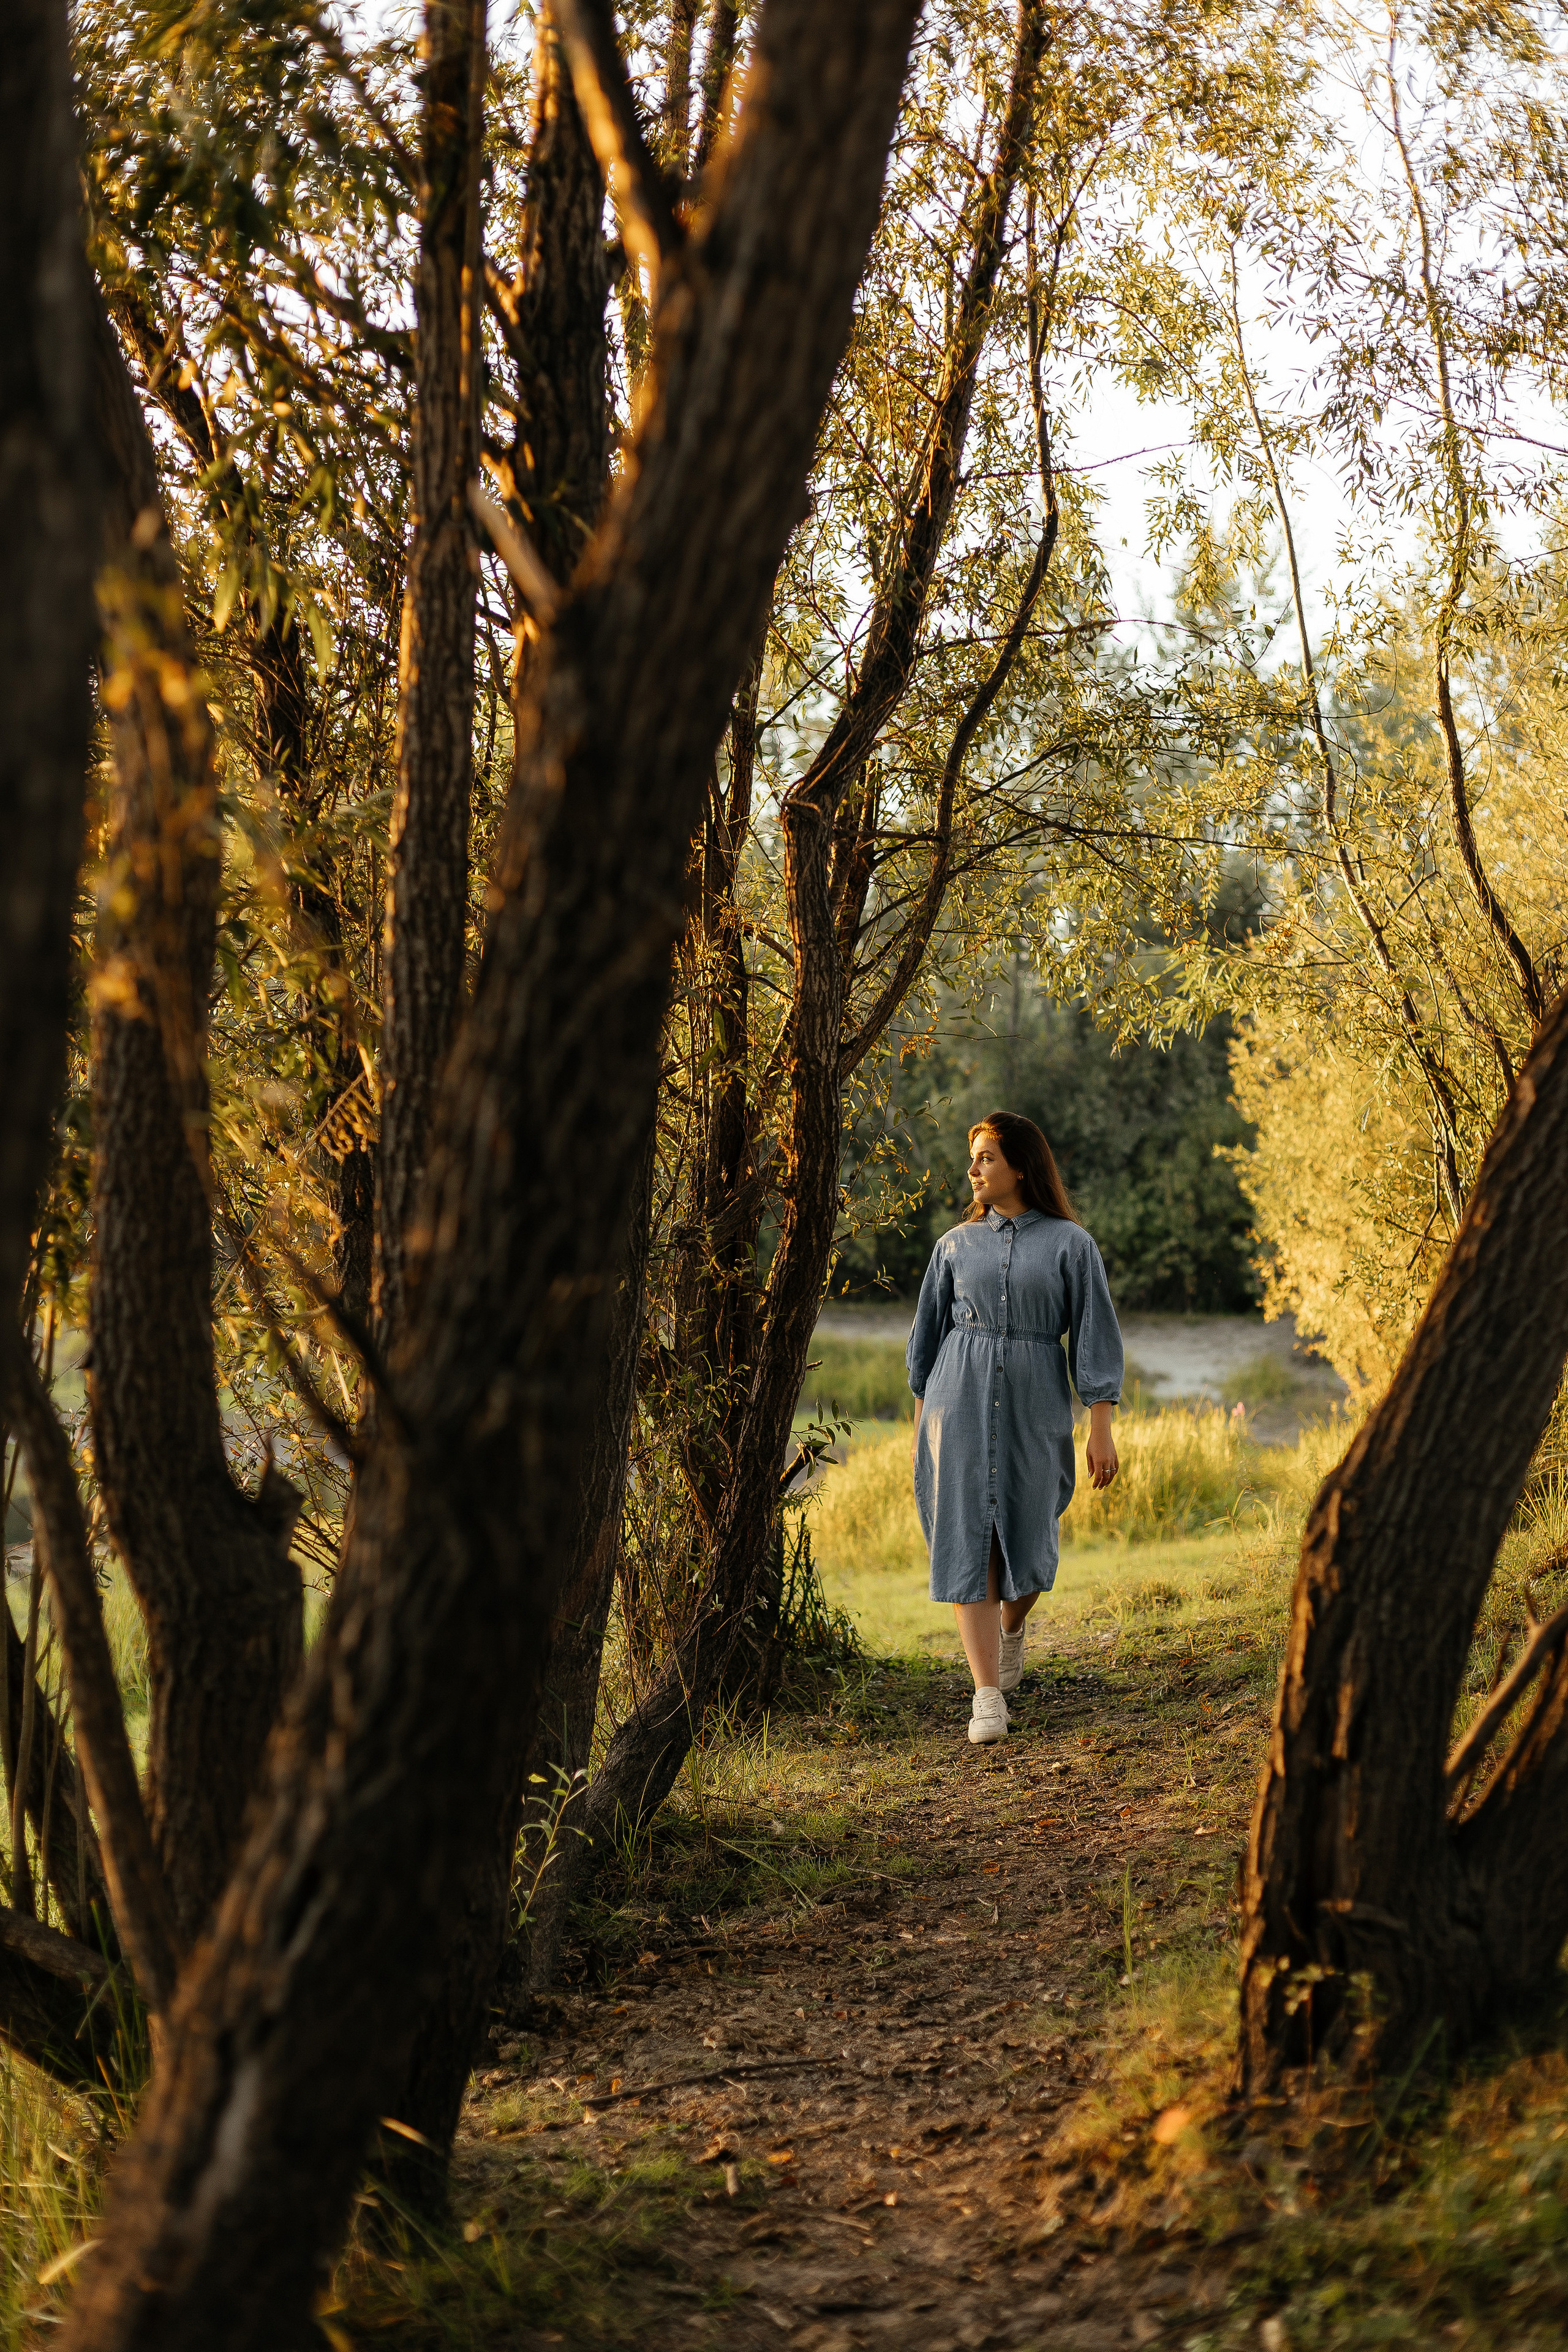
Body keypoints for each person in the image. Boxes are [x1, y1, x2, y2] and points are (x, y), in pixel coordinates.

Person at [907, 1111, 1122, 1745]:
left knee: (1032, 1538)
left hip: (1036, 1399)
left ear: (1020, 1166)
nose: (973, 1170)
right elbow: (924, 1345)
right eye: (973, 1159)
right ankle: (986, 1697)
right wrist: (922, 1437)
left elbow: (1094, 1339)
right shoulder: (951, 1246)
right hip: (957, 1397)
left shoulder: (1071, 1246)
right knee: (965, 1542)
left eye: (986, 1158)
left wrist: (1100, 1426)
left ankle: (1009, 1630)